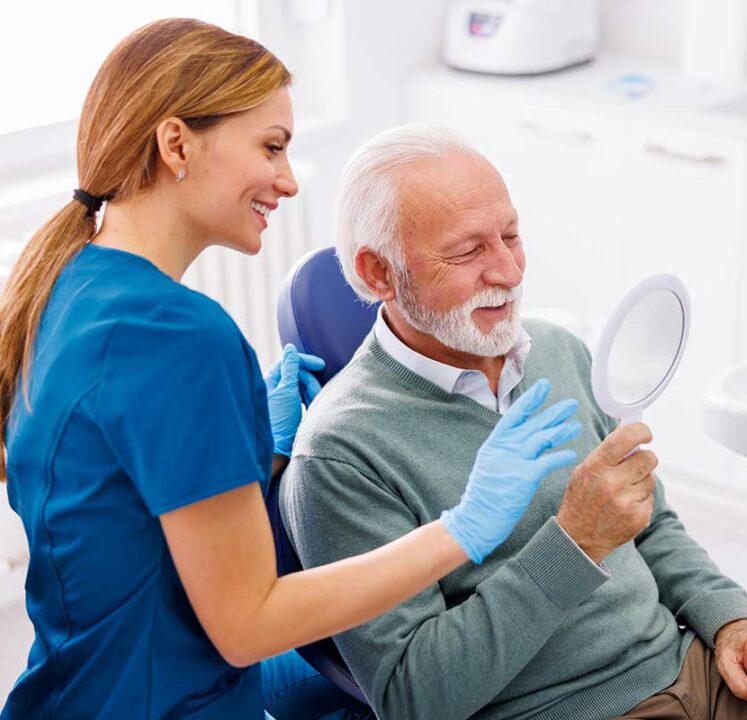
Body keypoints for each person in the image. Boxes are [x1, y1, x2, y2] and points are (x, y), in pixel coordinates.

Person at [0, 20, 583, 720]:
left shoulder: (72, 283)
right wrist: (462, 528)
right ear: (176, 143)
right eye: (270, 147)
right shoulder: (179, 337)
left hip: (74, 684)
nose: (285, 179)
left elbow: (125, 512)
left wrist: (261, 456)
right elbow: (248, 625)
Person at [280, 124, 747, 720]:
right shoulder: (341, 454)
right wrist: (573, 543)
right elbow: (415, 698)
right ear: (378, 272)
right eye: (469, 251)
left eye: (512, 236)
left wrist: (731, 618)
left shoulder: (556, 350)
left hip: (699, 668)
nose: (508, 271)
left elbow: (652, 524)